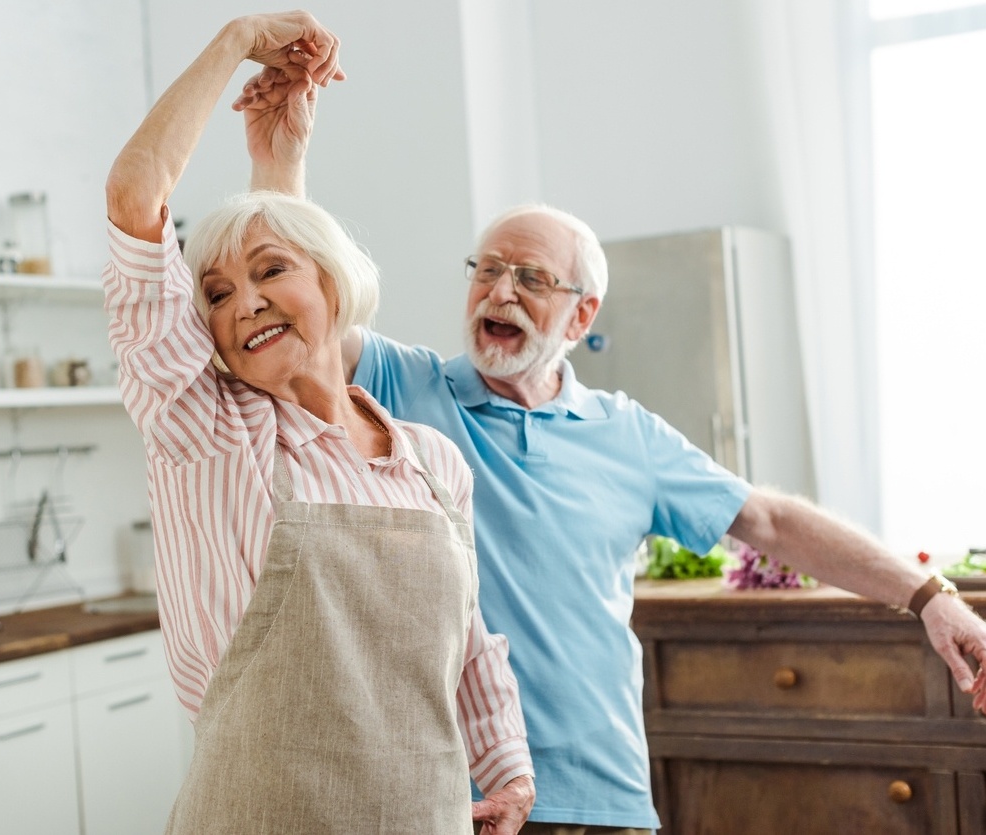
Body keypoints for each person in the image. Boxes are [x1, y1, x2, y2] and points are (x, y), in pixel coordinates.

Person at [239, 52, 986, 834]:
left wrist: (928, 597)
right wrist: (277, 160)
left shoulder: (626, 433)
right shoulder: (401, 386)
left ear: (580, 316)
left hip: (606, 796)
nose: (498, 291)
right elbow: (298, 316)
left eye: (529, 277)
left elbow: (765, 519)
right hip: (444, 795)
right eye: (485, 269)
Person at [102, 12, 535, 834]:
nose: (245, 301)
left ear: (336, 286)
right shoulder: (210, 433)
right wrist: (236, 42)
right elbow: (135, 196)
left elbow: (469, 645)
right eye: (217, 296)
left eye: (270, 273)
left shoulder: (433, 463)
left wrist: (508, 769)